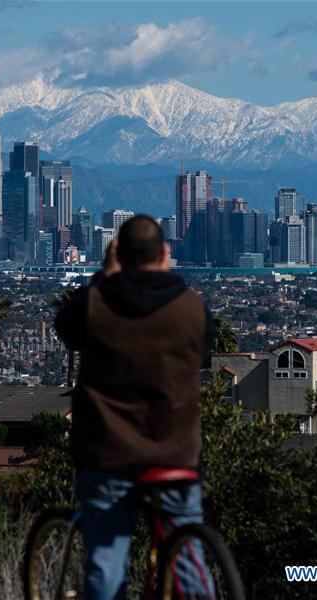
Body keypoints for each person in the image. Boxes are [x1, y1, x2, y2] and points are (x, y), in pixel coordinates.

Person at [54, 215, 216, 600]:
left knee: (107, 564)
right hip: (175, 453)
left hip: (109, 454)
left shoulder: (95, 303)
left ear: (119, 256)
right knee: (187, 554)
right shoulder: (190, 307)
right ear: (165, 254)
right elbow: (207, 344)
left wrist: (104, 277)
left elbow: (66, 327)